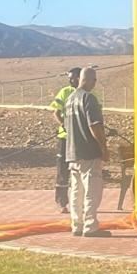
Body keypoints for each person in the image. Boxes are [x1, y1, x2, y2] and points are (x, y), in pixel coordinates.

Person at [65, 67, 110, 238]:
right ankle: (90, 226)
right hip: (89, 153)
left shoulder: (69, 99)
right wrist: (103, 147)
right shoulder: (88, 98)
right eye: (94, 80)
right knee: (92, 190)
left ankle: (77, 225)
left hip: (72, 152)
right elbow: (94, 126)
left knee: (76, 191)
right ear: (91, 80)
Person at [49, 67, 81, 211]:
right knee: (63, 170)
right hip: (65, 138)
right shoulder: (65, 92)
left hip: (81, 139)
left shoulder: (89, 94)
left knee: (79, 170)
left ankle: (79, 201)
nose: (71, 80)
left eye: (74, 78)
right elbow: (56, 112)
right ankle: (62, 202)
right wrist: (64, 124)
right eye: (70, 78)